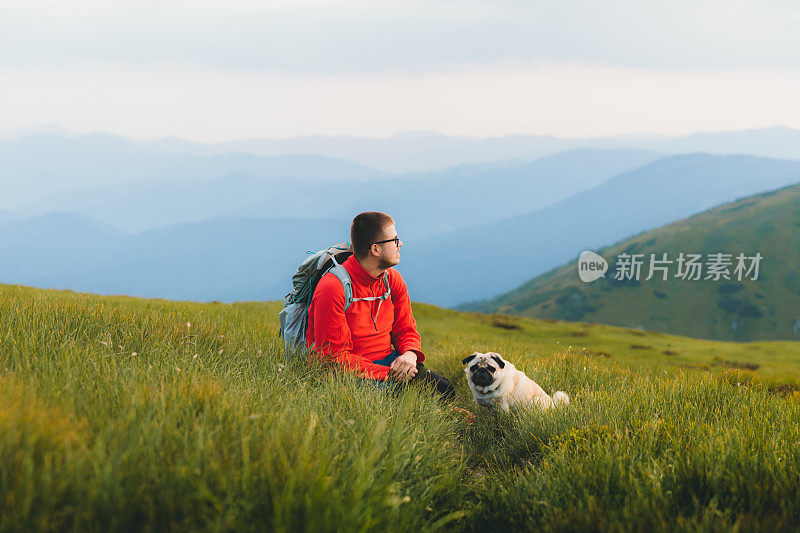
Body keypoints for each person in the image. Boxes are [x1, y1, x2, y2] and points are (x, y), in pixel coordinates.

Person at [306, 211, 455, 399]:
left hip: (388, 362)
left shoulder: (392, 279)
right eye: (394, 240)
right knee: (405, 398)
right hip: (349, 372)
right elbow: (334, 358)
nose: (400, 244)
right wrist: (390, 375)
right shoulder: (333, 288)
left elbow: (406, 329)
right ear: (375, 249)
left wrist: (409, 355)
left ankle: (454, 417)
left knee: (443, 389)